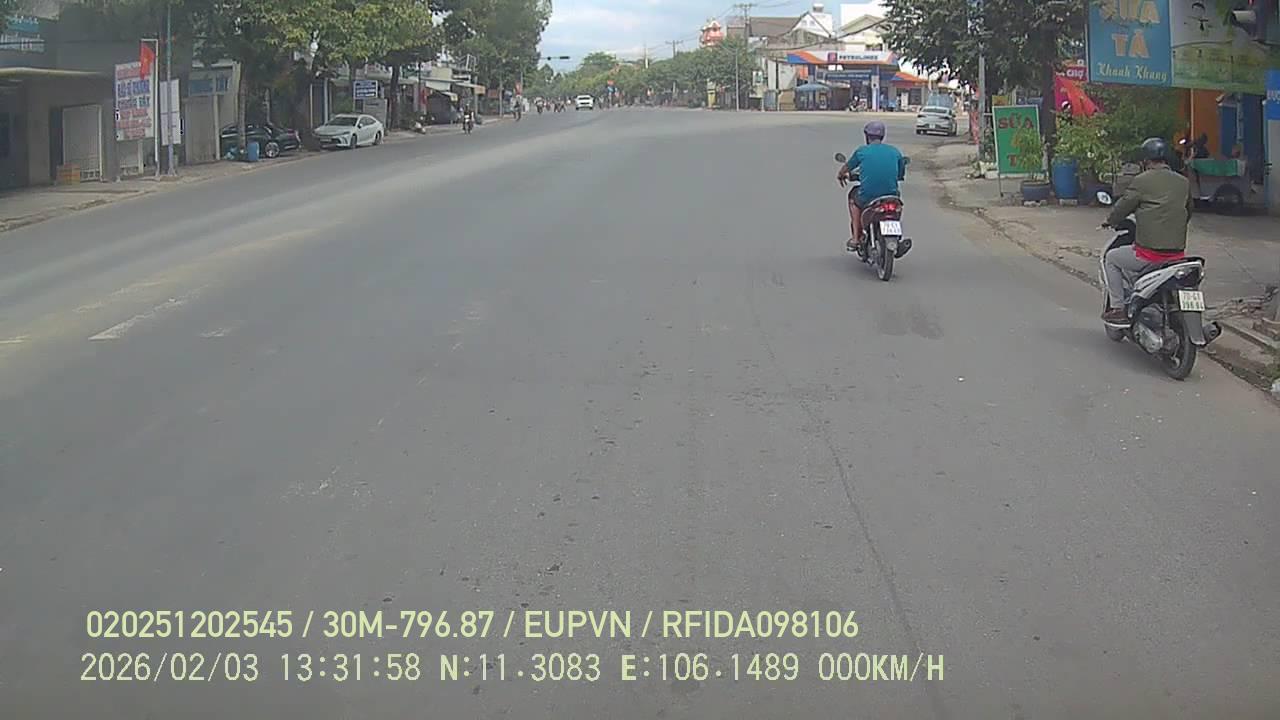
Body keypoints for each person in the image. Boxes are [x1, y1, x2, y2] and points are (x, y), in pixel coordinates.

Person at [1101, 137, 1193, 326]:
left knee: (1111, 258)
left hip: (1149, 255)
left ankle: (1118, 309)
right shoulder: (1183, 182)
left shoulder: (1141, 181)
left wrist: (1110, 221)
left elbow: (1123, 206)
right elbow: (1188, 211)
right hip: (1177, 255)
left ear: (1145, 160)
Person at [837, 120, 907, 253]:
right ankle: (897, 239)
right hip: (891, 195)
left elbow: (848, 167)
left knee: (853, 199)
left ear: (867, 136)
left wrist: (841, 175)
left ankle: (855, 238)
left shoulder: (862, 152)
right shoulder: (895, 151)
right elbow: (901, 173)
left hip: (868, 196)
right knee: (897, 205)